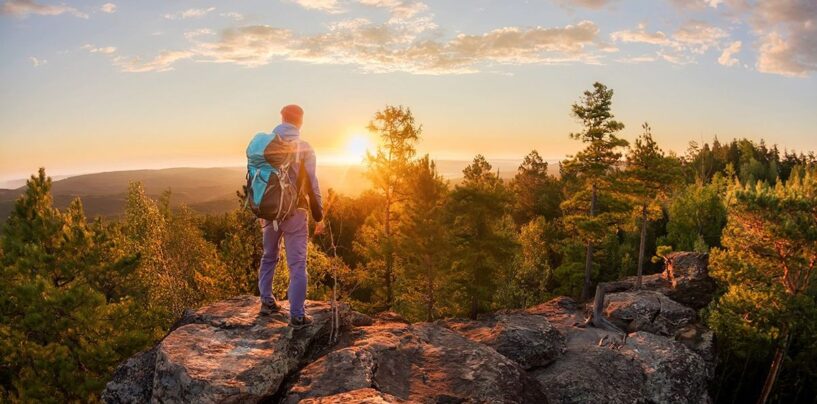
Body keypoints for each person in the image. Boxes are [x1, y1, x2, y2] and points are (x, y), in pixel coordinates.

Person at [257, 104, 324, 328]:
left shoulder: (267, 145)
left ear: (282, 118)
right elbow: (312, 183)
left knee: (269, 256)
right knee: (297, 264)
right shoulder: (304, 147)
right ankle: (296, 315)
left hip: (269, 211)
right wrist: (319, 215)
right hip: (295, 212)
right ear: (300, 121)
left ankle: (266, 301)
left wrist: (261, 208)